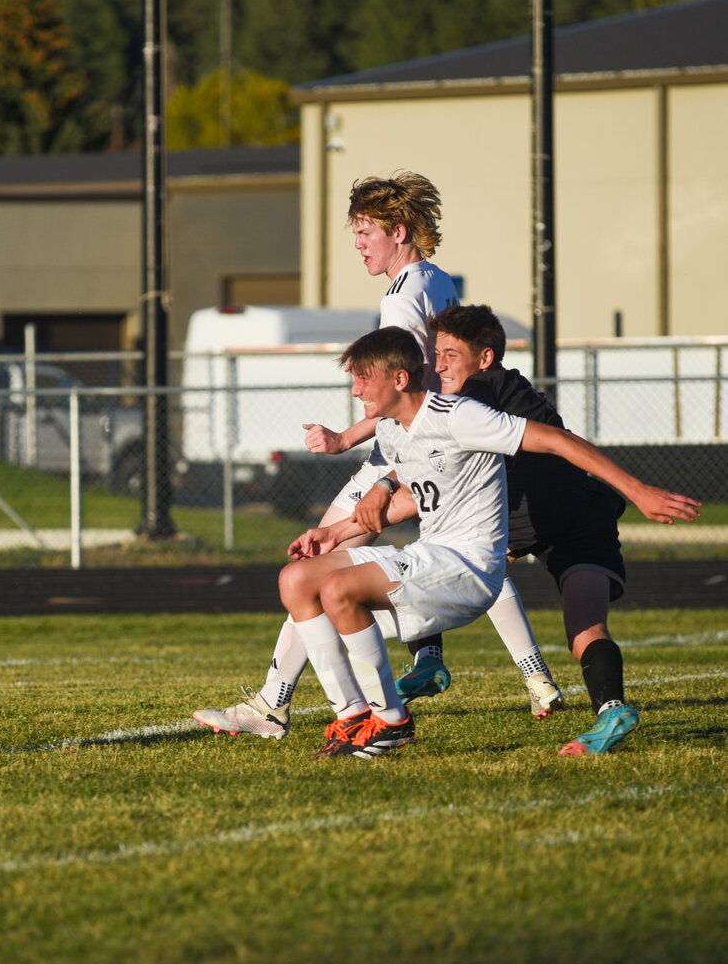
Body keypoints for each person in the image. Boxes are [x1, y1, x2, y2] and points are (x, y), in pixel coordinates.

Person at [195, 172, 557, 740]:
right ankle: (531, 676)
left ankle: (293, 707)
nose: (359, 244)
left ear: (399, 230)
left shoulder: (402, 295)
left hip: (402, 454)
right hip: (423, 448)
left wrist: (378, 463)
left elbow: (404, 385)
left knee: (318, 571)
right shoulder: (435, 280)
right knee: (464, 556)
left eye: (366, 232)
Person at [276, 325, 697, 758]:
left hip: (468, 566)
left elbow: (555, 439)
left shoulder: (459, 414)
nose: (355, 391)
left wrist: (640, 491)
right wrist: (334, 533)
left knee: (338, 589)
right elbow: (416, 496)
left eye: (363, 378)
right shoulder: (392, 431)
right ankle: (352, 715)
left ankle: (390, 721)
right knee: (296, 579)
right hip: (431, 556)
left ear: (399, 380)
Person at [361, 304, 646, 754]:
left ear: (485, 358)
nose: (438, 365)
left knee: (426, 556)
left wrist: (371, 474)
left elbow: (415, 432)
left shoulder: (475, 392)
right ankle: (611, 708)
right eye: (436, 353)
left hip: (527, 513)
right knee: (585, 630)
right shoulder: (507, 387)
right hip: (584, 512)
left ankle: (429, 661)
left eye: (450, 354)